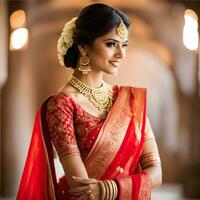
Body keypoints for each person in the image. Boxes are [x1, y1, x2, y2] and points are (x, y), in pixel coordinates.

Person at [17, 3, 162, 200]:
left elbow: (156, 173)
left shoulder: (129, 102)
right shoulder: (62, 105)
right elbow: (81, 189)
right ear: (83, 47)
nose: (121, 54)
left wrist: (108, 189)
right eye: (111, 44)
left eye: (124, 44)